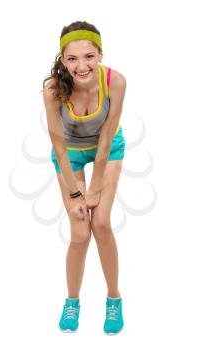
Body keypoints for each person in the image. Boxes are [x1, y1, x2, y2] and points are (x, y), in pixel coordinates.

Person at [42, 20, 126, 335]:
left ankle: (114, 299)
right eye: (73, 58)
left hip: (108, 149)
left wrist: (95, 188)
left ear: (100, 55)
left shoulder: (115, 82)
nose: (82, 65)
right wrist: (77, 193)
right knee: (80, 232)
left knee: (101, 223)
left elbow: (106, 137)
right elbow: (57, 144)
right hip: (70, 155)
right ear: (63, 60)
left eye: (89, 56)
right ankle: (72, 301)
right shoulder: (53, 89)